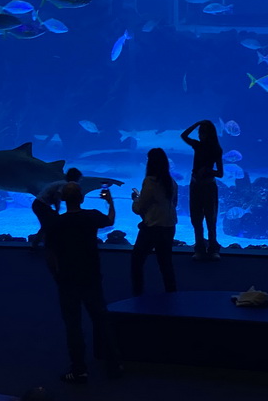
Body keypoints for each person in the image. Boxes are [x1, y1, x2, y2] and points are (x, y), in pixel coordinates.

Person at [32, 182, 122, 384]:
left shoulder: (56, 223)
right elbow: (110, 220)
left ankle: (79, 370)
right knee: (101, 319)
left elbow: (50, 253)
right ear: (81, 198)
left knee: (73, 325)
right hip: (90, 276)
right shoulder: (91, 216)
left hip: (67, 279)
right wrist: (110, 202)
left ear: (63, 199)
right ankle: (115, 364)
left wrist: (56, 275)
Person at [130, 148, 178, 295]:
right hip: (169, 227)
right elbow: (173, 204)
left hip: (152, 228)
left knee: (136, 262)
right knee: (166, 265)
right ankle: (172, 296)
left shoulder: (150, 181)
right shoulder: (171, 182)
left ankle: (138, 297)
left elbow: (140, 207)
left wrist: (135, 199)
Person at [180, 119, 224, 260]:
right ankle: (199, 247)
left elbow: (220, 173)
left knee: (211, 218)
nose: (200, 135)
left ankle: (213, 248)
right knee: (196, 218)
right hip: (195, 185)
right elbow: (184, 136)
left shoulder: (216, 149)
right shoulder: (197, 146)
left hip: (209, 186)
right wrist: (196, 124)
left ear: (209, 134)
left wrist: (207, 171)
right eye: (199, 132)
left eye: (202, 132)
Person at [31, 167, 82, 248]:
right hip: (41, 204)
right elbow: (57, 196)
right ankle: (40, 245)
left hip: (39, 204)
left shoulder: (62, 183)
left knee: (48, 224)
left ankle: (41, 244)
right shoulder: (65, 185)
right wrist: (57, 210)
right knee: (47, 224)